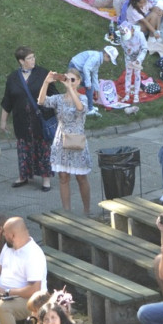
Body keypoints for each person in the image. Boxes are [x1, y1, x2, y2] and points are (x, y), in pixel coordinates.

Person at [37, 69, 92, 216]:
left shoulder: (83, 97)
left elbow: (80, 108)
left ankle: (87, 211)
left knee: (81, 177)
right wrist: (46, 82)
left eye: (73, 80)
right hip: (61, 140)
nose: (70, 82)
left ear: (79, 81)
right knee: (63, 177)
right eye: (67, 79)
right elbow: (41, 101)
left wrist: (70, 89)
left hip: (77, 139)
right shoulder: (59, 98)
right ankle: (66, 212)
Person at [0, 47, 54, 192]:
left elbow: (55, 95)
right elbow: (7, 101)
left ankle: (46, 178)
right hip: (22, 121)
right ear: (21, 61)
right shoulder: (13, 77)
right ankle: (24, 175)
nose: (33, 60)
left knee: (43, 148)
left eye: (33, 57)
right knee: (24, 148)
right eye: (29, 58)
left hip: (40, 119)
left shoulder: (43, 73)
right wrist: (3, 121)